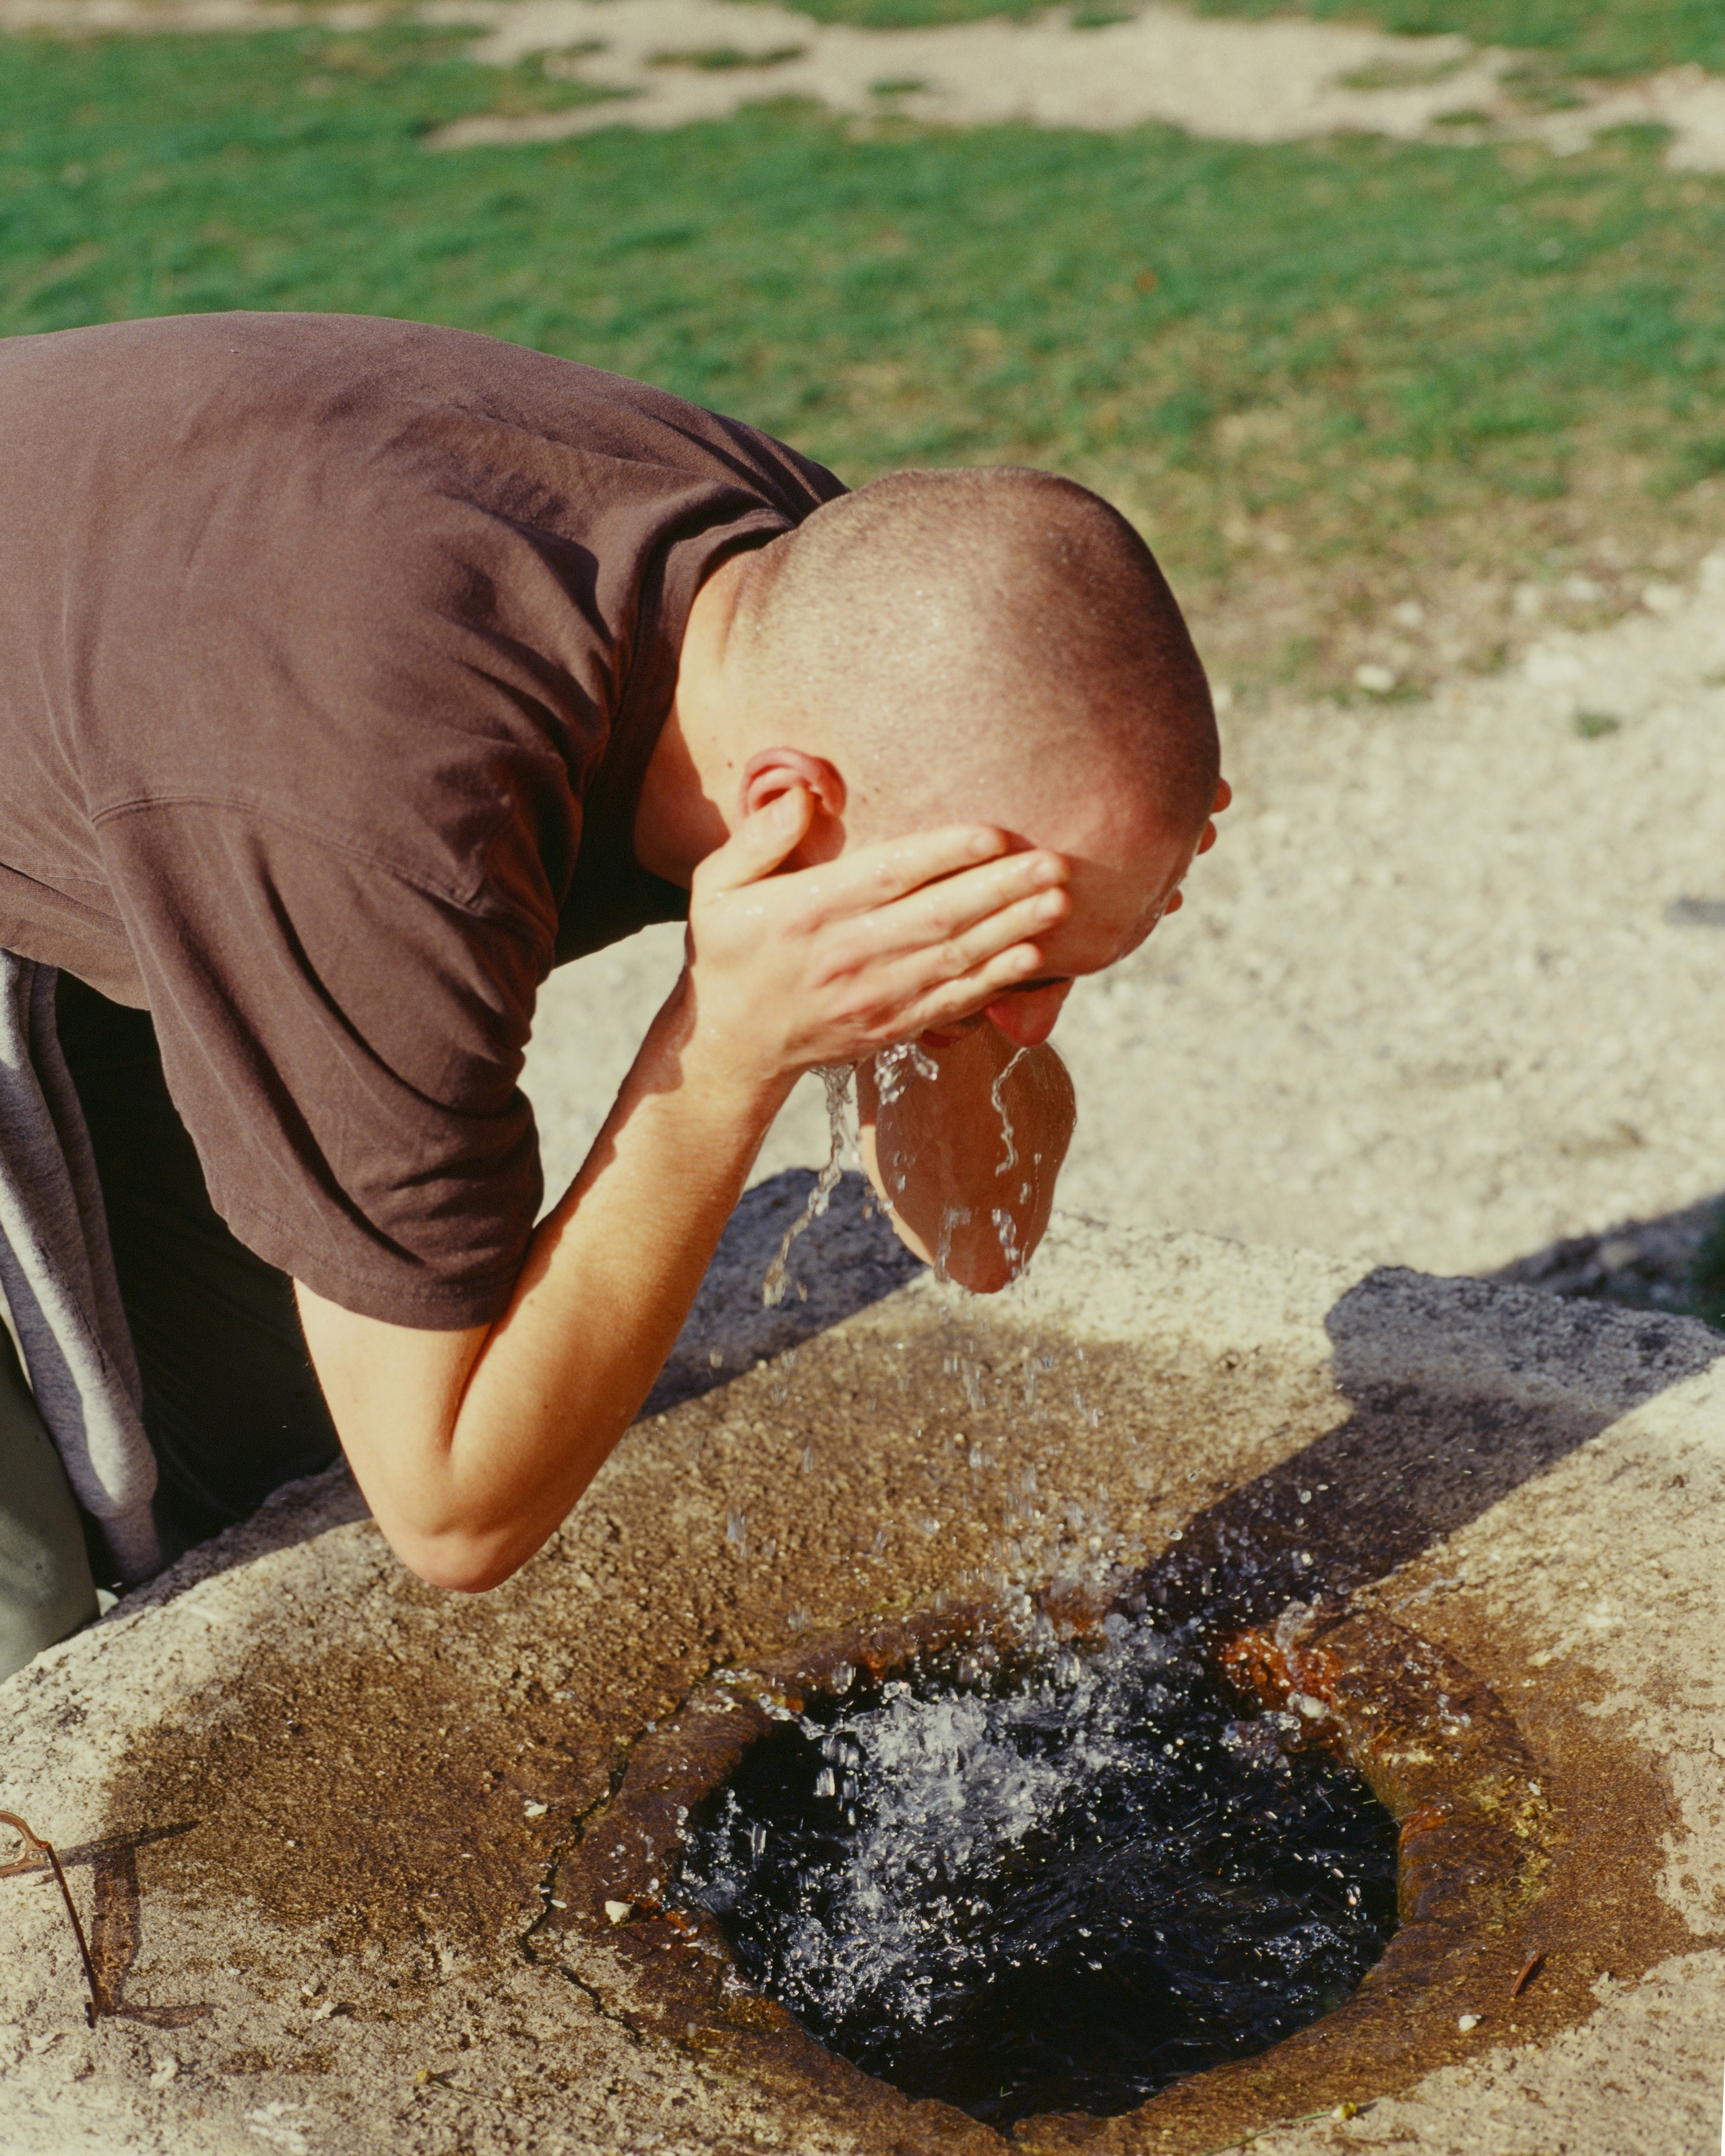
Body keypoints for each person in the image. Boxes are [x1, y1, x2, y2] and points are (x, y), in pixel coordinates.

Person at [0, 311, 1224, 1679]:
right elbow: (451, 1512)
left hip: (144, 720)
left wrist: (987, 965)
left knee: (276, 1456)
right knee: (21, 1602)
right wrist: (728, 1050)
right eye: (1009, 964)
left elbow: (975, 1237)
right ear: (785, 807)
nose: (1024, 1020)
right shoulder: (395, 825)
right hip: (232, 751)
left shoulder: (811, 599)